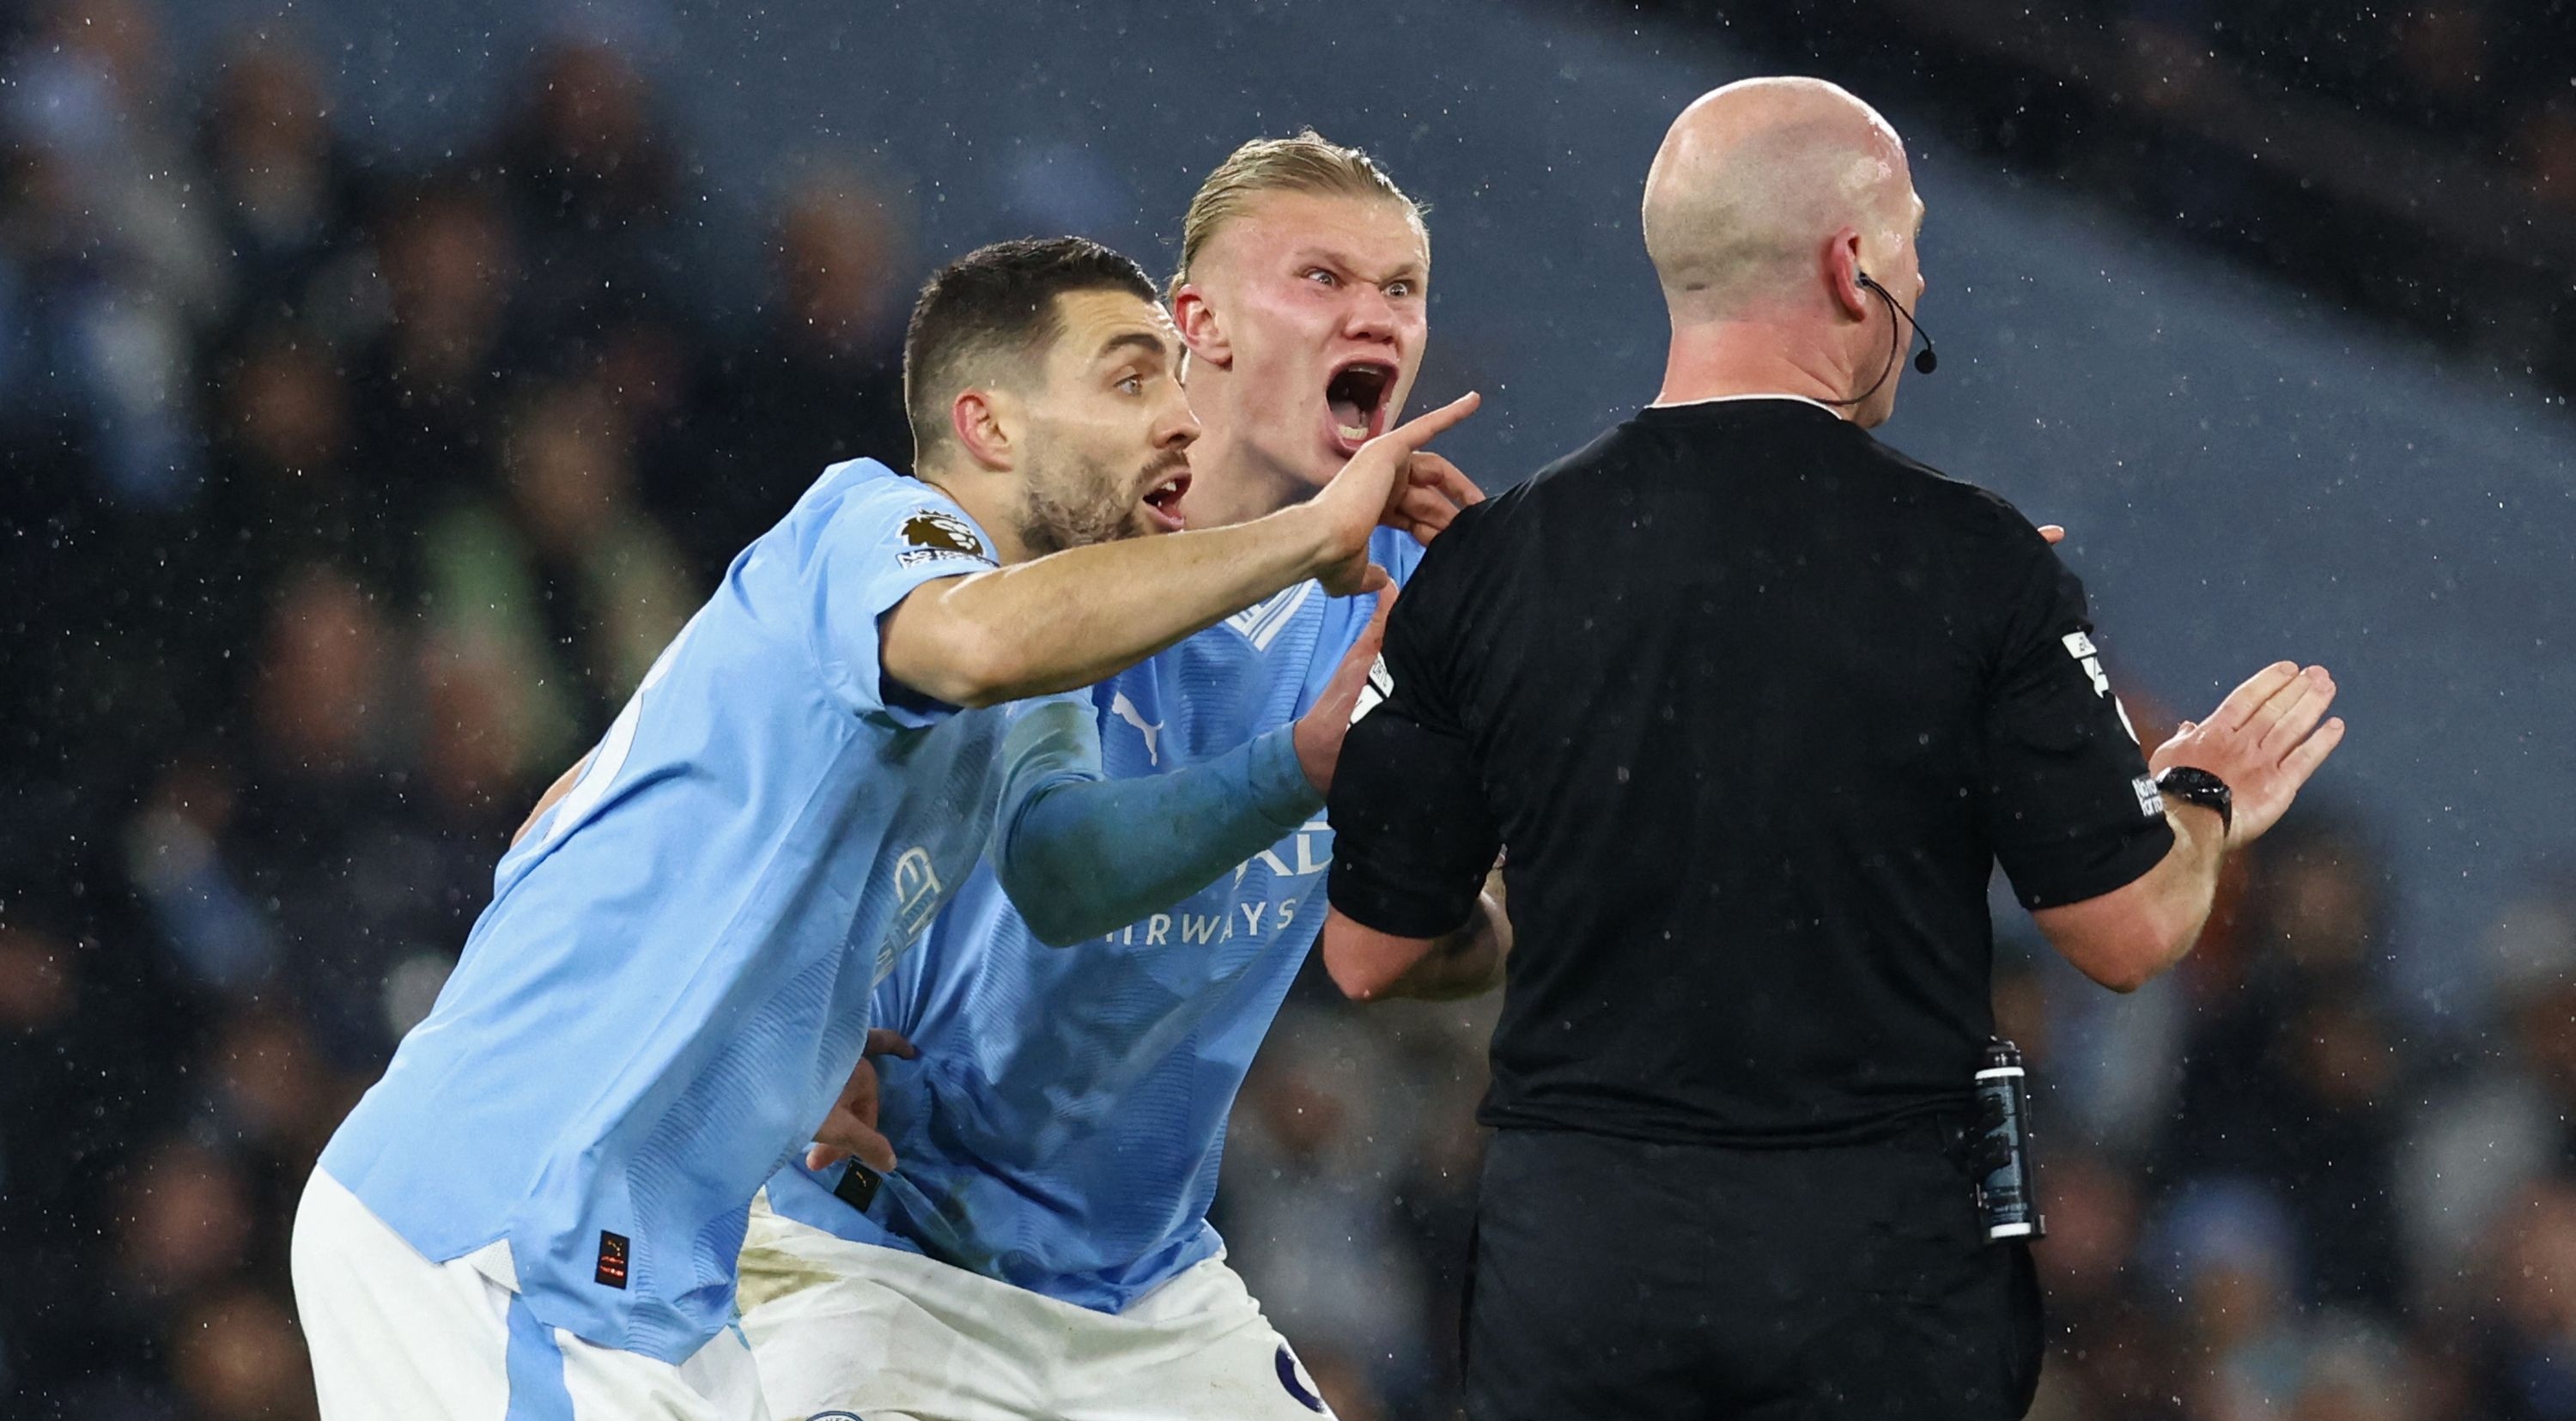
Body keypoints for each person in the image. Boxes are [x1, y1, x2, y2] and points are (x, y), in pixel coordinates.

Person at [289, 234, 1477, 1421]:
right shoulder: (877, 523)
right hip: (510, 1233)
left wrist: (802, 1032)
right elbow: (976, 638)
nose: (1180, 419)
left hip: (653, 1286)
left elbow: (567, 813)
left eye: (1176, 380)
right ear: (989, 425)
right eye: (1129, 379)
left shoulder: (1000, 691)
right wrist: (1306, 538)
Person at [1318, 78, 2348, 1421]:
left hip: (1583, 1263)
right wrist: (2203, 795)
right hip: (1876, 1273)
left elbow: (1373, 953)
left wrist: (1576, 883)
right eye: (1912, 234)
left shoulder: (1491, 568)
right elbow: (2128, 932)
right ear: (1852, 266)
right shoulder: (1977, 567)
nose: (1923, 266)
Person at [733, 133, 1506, 1421]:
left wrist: (1484, 883)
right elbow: (1059, 871)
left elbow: (1412, 944)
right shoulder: (1042, 531)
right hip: (876, 1248)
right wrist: (772, 1023)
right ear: (1195, 321)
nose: (1375, 313)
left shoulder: (1418, 601)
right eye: (1322, 278)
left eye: (1404, 288)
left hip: (1145, 1294)